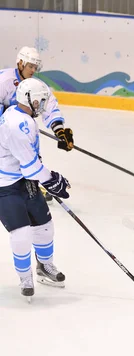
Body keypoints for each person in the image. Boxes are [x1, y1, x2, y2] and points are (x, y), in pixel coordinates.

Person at [0, 78, 71, 299]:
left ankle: (44, 266)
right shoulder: (18, 124)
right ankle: (25, 277)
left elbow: (30, 161)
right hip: (6, 185)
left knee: (45, 226)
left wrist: (48, 177)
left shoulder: (23, 115)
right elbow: (30, 167)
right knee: (21, 234)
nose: (41, 105)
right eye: (39, 100)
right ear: (29, 99)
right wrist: (53, 181)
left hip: (25, 180)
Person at [0, 47, 76, 202]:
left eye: (35, 67)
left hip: (20, 128)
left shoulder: (36, 85)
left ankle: (32, 183)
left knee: (28, 154)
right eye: (30, 66)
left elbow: (49, 106)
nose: (33, 70)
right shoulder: (4, 80)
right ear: (20, 63)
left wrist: (59, 130)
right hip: (5, 127)